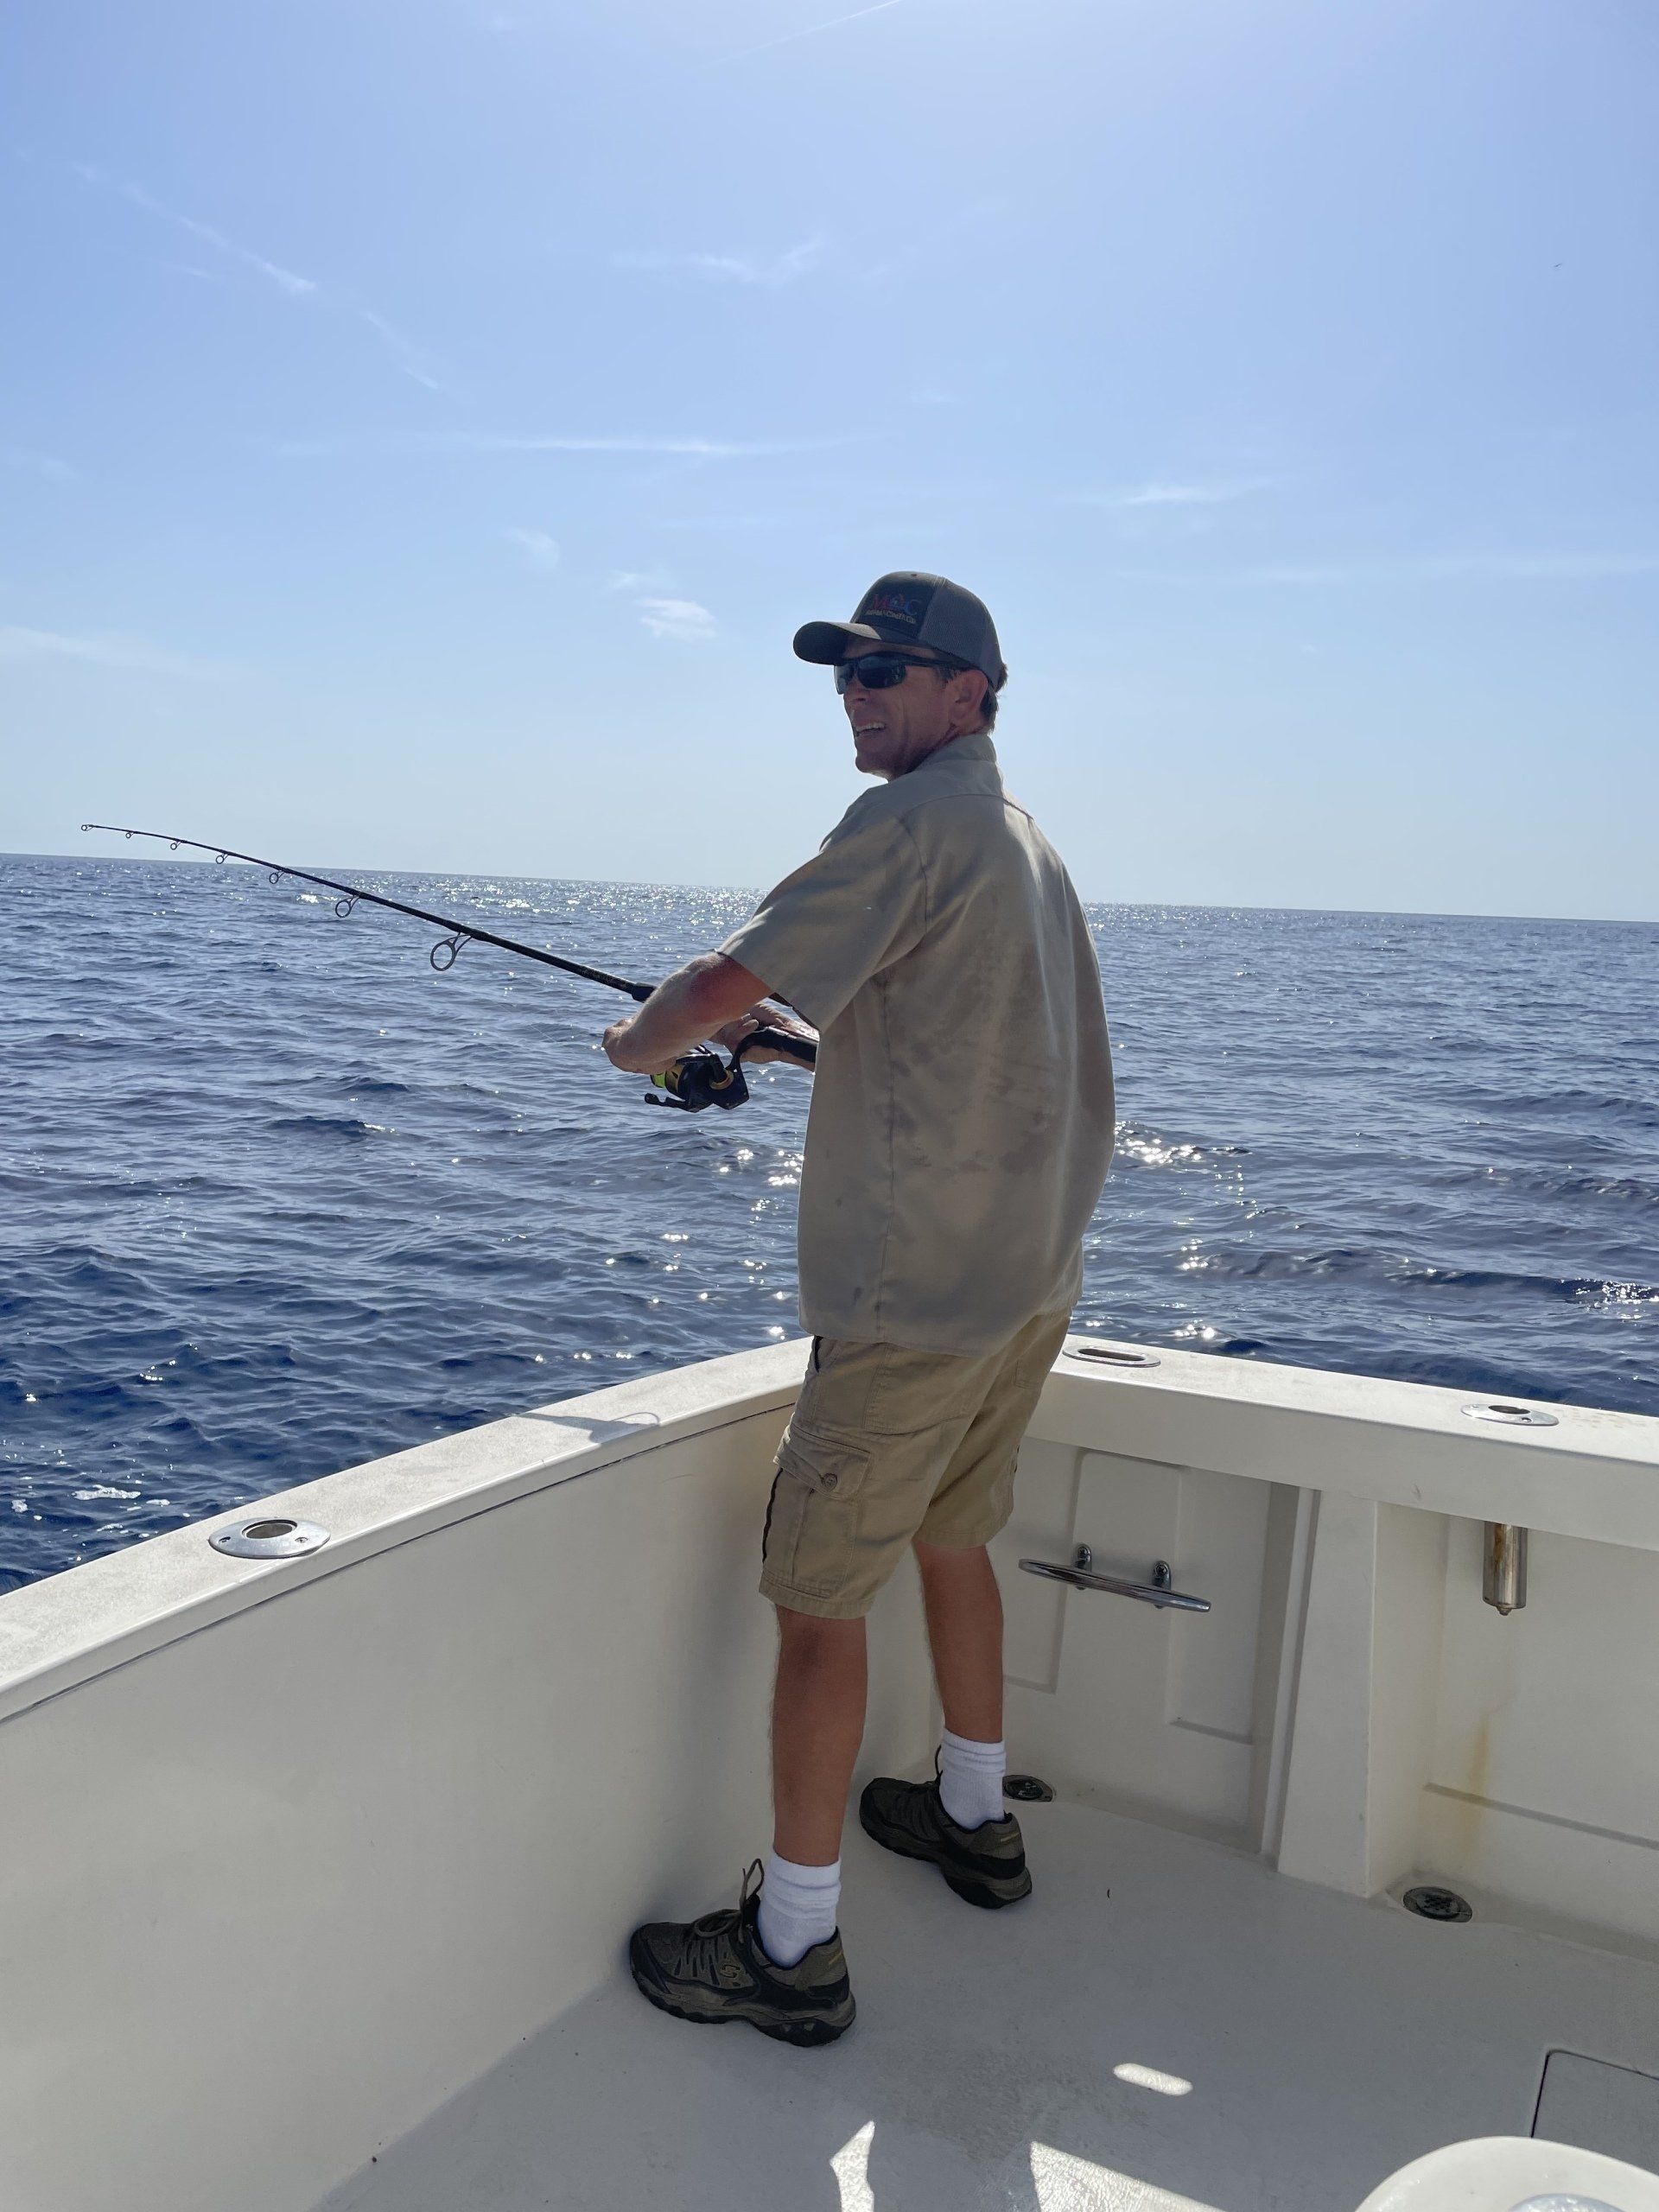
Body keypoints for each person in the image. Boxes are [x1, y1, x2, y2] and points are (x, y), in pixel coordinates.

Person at [602, 571, 1115, 2046]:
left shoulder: (905, 822)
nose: (862, 689)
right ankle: (973, 1819)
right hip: (1026, 1288)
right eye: (845, 670)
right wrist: (822, 1050)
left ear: (973, 694)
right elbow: (981, 1043)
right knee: (959, 1540)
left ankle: (793, 1950)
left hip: (912, 1308)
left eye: (894, 668)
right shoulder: (1022, 843)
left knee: (820, 1606)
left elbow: (716, 982)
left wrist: (640, 1048)